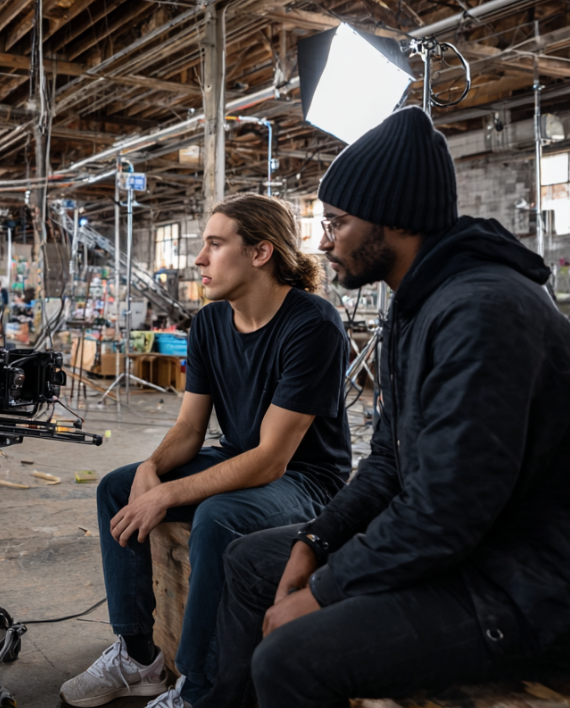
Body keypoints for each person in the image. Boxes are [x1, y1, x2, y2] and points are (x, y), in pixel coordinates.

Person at [198, 106, 570, 708]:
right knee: (251, 560)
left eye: (337, 223)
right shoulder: (415, 305)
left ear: (391, 222)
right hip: (471, 550)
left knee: (292, 659)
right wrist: (317, 541)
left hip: (534, 585)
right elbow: (389, 464)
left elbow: (446, 510)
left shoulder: (483, 310)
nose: (323, 241)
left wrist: (323, 591)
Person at [61, 194, 352, 708]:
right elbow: (190, 427)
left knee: (219, 516)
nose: (199, 259)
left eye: (215, 244)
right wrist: (151, 469)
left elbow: (272, 460)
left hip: (306, 480)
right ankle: (138, 655)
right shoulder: (211, 323)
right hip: (238, 455)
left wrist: (167, 493)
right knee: (116, 486)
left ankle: (199, 690)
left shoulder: (313, 324)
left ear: (260, 253)